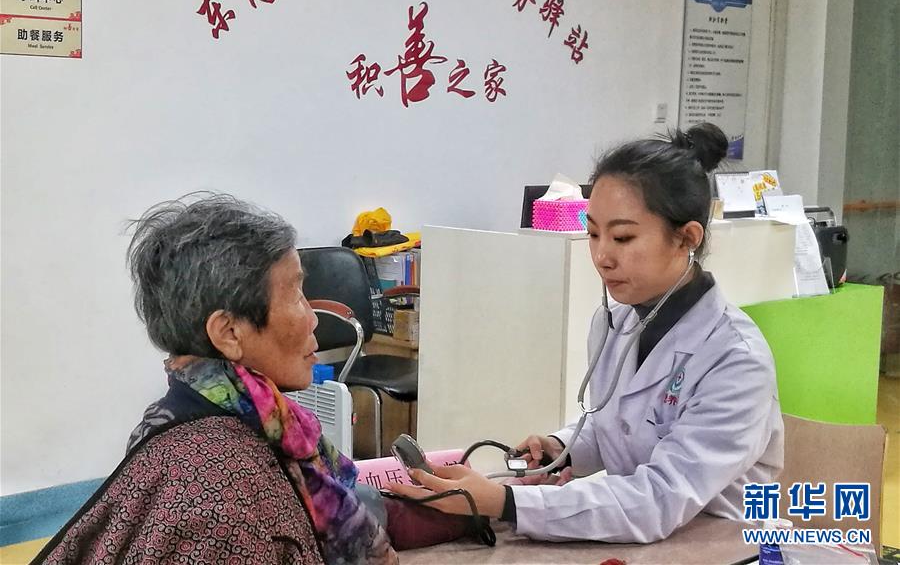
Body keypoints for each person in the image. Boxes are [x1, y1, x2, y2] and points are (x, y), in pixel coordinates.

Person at [388, 123, 785, 544]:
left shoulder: (736, 360)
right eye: (593, 233)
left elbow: (658, 499)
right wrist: (561, 449)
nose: (601, 256)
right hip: (644, 541)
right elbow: (617, 424)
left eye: (623, 237)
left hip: (725, 546)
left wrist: (504, 502)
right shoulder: (614, 322)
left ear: (686, 238)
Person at [35, 194, 466, 565]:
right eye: (295, 294)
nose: (314, 317)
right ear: (229, 332)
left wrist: (488, 504)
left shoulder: (252, 419)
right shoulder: (222, 503)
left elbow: (354, 502)